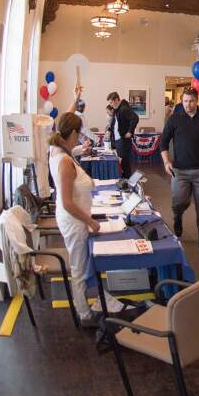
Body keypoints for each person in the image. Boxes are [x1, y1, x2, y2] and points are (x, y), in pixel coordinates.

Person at [48, 112, 129, 326]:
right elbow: (67, 202)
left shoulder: (57, 150)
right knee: (78, 267)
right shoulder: (64, 161)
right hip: (74, 221)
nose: (81, 137)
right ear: (73, 132)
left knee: (83, 263)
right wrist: (90, 221)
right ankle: (83, 313)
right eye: (79, 133)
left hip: (75, 217)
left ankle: (95, 301)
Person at [160, 88, 199, 253]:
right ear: (182, 101)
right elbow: (163, 143)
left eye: (191, 101)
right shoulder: (174, 119)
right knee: (179, 202)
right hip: (179, 171)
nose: (188, 104)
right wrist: (166, 162)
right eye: (185, 101)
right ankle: (178, 217)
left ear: (196, 101)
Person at [107, 92, 139, 179]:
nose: (110, 105)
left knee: (124, 163)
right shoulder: (117, 109)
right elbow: (115, 123)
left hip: (123, 141)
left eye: (111, 102)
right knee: (122, 163)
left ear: (116, 100)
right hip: (118, 140)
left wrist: (130, 132)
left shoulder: (124, 108)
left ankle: (128, 183)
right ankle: (125, 182)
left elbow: (135, 118)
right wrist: (109, 130)